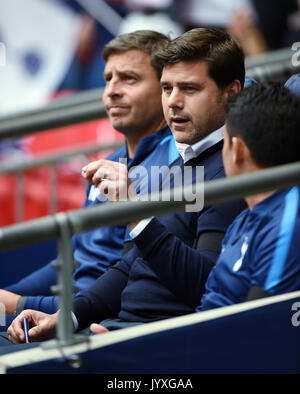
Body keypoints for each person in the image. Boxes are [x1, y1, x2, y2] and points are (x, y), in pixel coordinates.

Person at [6, 27, 247, 343]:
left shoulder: (234, 169)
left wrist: (136, 212)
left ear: (230, 92)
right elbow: (126, 266)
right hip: (108, 324)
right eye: (167, 88)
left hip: (148, 341)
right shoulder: (178, 164)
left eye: (189, 88)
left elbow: (205, 284)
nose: (173, 102)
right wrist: (66, 317)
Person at [0, 30, 180, 317]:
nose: (112, 90)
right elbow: (71, 260)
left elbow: (137, 284)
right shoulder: (110, 161)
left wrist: (17, 305)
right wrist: (8, 297)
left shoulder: (178, 167)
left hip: (96, 322)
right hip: (65, 313)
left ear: (166, 89)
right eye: (108, 79)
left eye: (129, 78)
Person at [198, 82, 300, 310]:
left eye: (224, 142)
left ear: (239, 150)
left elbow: (259, 322)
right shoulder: (242, 220)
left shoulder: (287, 223)